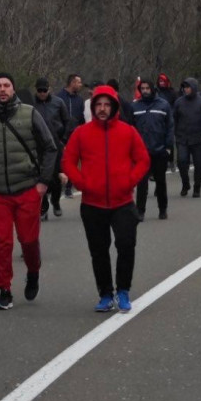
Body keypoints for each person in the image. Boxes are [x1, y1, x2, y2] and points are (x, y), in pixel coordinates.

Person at [0, 73, 57, 310]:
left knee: (28, 240)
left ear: (13, 89)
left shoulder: (30, 113)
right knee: (2, 243)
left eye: (7, 85)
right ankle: (4, 289)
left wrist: (43, 182)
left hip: (27, 189)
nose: (2, 89)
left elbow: (49, 147)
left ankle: (33, 271)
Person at [61, 84, 150, 313]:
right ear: (92, 107)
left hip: (122, 203)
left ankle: (123, 291)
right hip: (92, 204)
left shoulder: (128, 131)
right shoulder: (81, 133)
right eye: (98, 105)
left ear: (114, 107)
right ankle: (104, 294)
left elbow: (143, 161)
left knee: (126, 246)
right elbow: (68, 162)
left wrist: (128, 181)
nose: (102, 109)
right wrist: (83, 184)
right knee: (99, 251)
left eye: (106, 104)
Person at [131, 78, 174, 220]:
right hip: (142, 152)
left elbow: (169, 127)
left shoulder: (163, 105)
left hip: (159, 150)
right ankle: (140, 211)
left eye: (147, 88)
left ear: (152, 89)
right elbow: (131, 129)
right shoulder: (135, 107)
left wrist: (168, 147)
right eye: (142, 88)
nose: (144, 91)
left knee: (160, 182)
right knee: (141, 183)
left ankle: (163, 209)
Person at [32, 78, 69, 220]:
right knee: (40, 176)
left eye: (44, 90)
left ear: (49, 89)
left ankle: (56, 200)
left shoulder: (58, 103)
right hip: (37, 146)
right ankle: (44, 206)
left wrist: (63, 139)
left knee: (55, 177)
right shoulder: (31, 104)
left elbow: (67, 121)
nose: (42, 93)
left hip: (55, 145)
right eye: (39, 90)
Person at [172, 78, 201, 197]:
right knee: (182, 161)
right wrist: (174, 133)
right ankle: (185, 184)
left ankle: (197, 187)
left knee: (199, 164)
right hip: (182, 137)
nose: (186, 89)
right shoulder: (179, 102)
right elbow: (174, 119)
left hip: (198, 138)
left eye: (188, 87)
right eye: (184, 87)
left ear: (193, 87)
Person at [56, 73, 86, 197]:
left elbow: (81, 117)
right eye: (78, 82)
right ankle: (57, 187)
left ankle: (69, 187)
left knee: (72, 161)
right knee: (59, 160)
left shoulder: (79, 100)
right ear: (72, 83)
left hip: (74, 134)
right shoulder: (59, 97)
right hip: (60, 134)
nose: (80, 85)